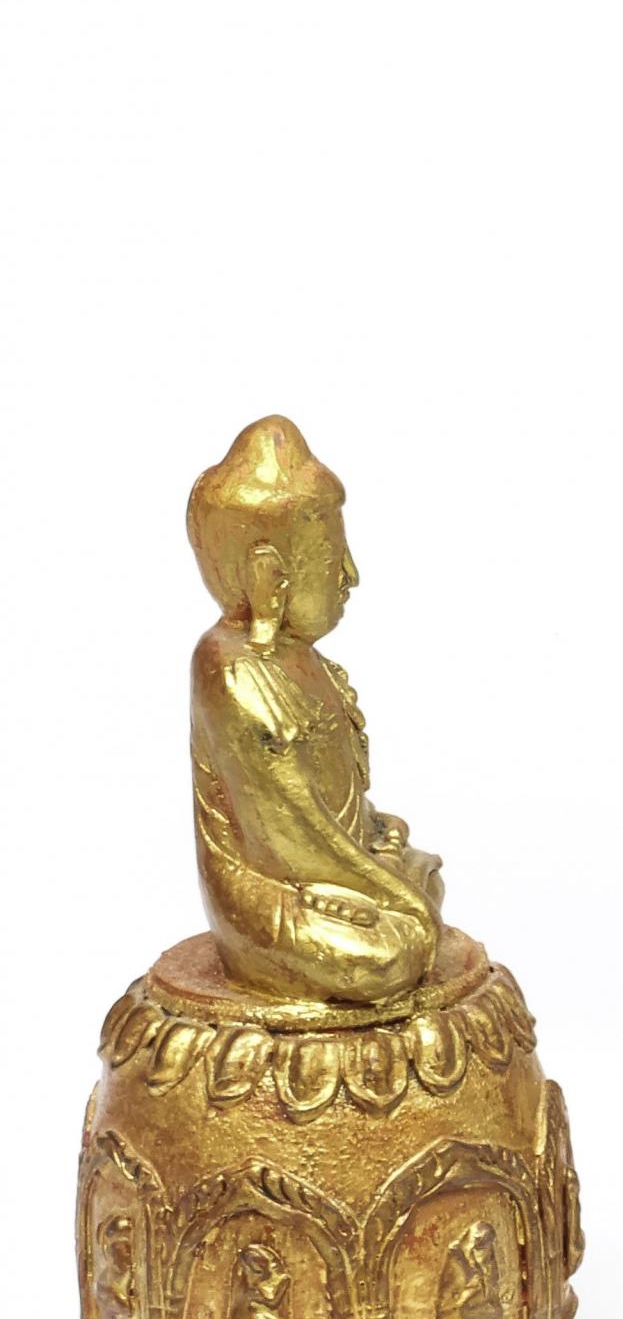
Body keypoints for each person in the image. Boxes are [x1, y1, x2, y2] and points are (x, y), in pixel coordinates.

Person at [186, 416, 443, 1011]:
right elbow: (287, 843)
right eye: (330, 558)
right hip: (271, 894)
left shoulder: (308, 662)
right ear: (268, 574)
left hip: (341, 873)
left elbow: (342, 811)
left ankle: (396, 903)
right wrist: (396, 894)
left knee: (425, 872)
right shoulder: (230, 671)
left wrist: (380, 840)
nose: (350, 574)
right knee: (387, 957)